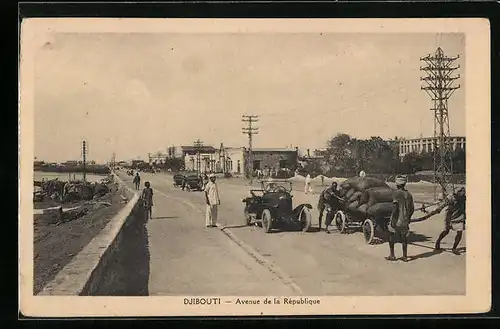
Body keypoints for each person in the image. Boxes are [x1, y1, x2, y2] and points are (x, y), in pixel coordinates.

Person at [386, 175, 414, 262]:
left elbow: (395, 208)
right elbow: (412, 209)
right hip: (405, 220)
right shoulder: (409, 194)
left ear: (397, 184)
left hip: (397, 219)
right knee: (404, 238)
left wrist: (393, 221)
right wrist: (408, 218)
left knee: (391, 235)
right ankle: (405, 256)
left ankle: (392, 255)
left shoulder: (396, 193)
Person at [433, 187, 466, 255]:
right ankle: (438, 242)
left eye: (463, 193)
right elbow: (443, 204)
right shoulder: (451, 197)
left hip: (460, 216)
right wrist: (438, 209)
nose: (462, 194)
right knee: (446, 231)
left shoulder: (464, 197)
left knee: (459, 232)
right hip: (450, 216)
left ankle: (454, 248)